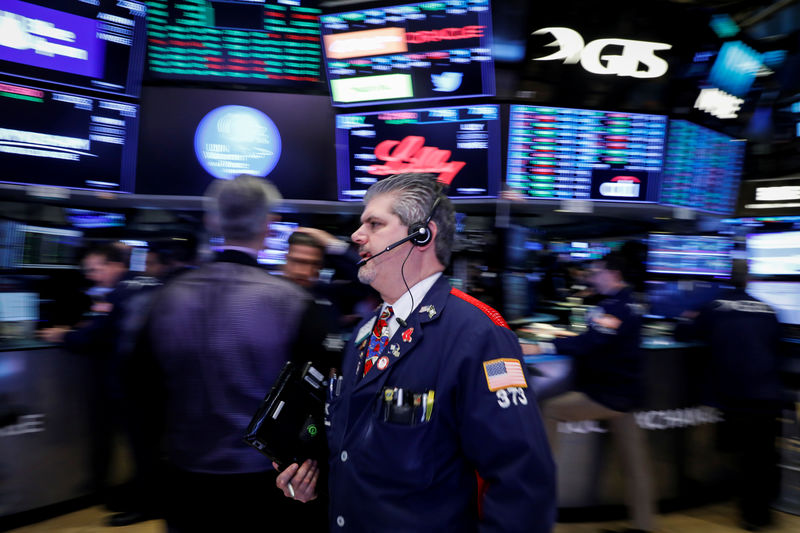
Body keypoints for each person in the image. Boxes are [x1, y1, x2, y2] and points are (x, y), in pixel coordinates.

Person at [277, 173, 556, 532]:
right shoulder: (365, 333)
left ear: (421, 236)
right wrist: (316, 477)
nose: (356, 236)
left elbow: (523, 482)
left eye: (374, 224)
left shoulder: (479, 335)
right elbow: (360, 448)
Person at [132, 174, 328, 532]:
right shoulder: (295, 303)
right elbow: (316, 404)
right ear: (269, 226)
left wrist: (150, 478)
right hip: (267, 484)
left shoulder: (163, 300)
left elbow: (141, 399)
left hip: (185, 479)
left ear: (213, 221)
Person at [523, 251, 656, 533]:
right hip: (625, 394)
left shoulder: (617, 307)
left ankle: (542, 484)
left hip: (608, 395)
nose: (594, 276)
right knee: (635, 463)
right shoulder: (625, 303)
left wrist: (541, 347)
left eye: (598, 271)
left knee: (551, 409)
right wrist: (565, 337)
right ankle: (645, 525)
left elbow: (592, 342)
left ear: (614, 274)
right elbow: (595, 337)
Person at [38, 244, 163, 526]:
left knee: (143, 449)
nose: (93, 276)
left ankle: (147, 506)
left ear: (114, 265)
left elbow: (98, 335)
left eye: (96, 268)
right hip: (158, 381)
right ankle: (144, 497)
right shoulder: (151, 282)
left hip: (136, 383)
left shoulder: (121, 292)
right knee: (150, 447)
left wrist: (64, 336)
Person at [674, 259, 782, 531]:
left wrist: (687, 317)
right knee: (764, 454)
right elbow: (776, 347)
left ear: (724, 281)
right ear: (747, 282)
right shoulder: (767, 310)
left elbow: (682, 333)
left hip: (737, 392)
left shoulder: (715, 308)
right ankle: (764, 511)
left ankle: (751, 517)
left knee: (747, 456)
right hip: (769, 391)